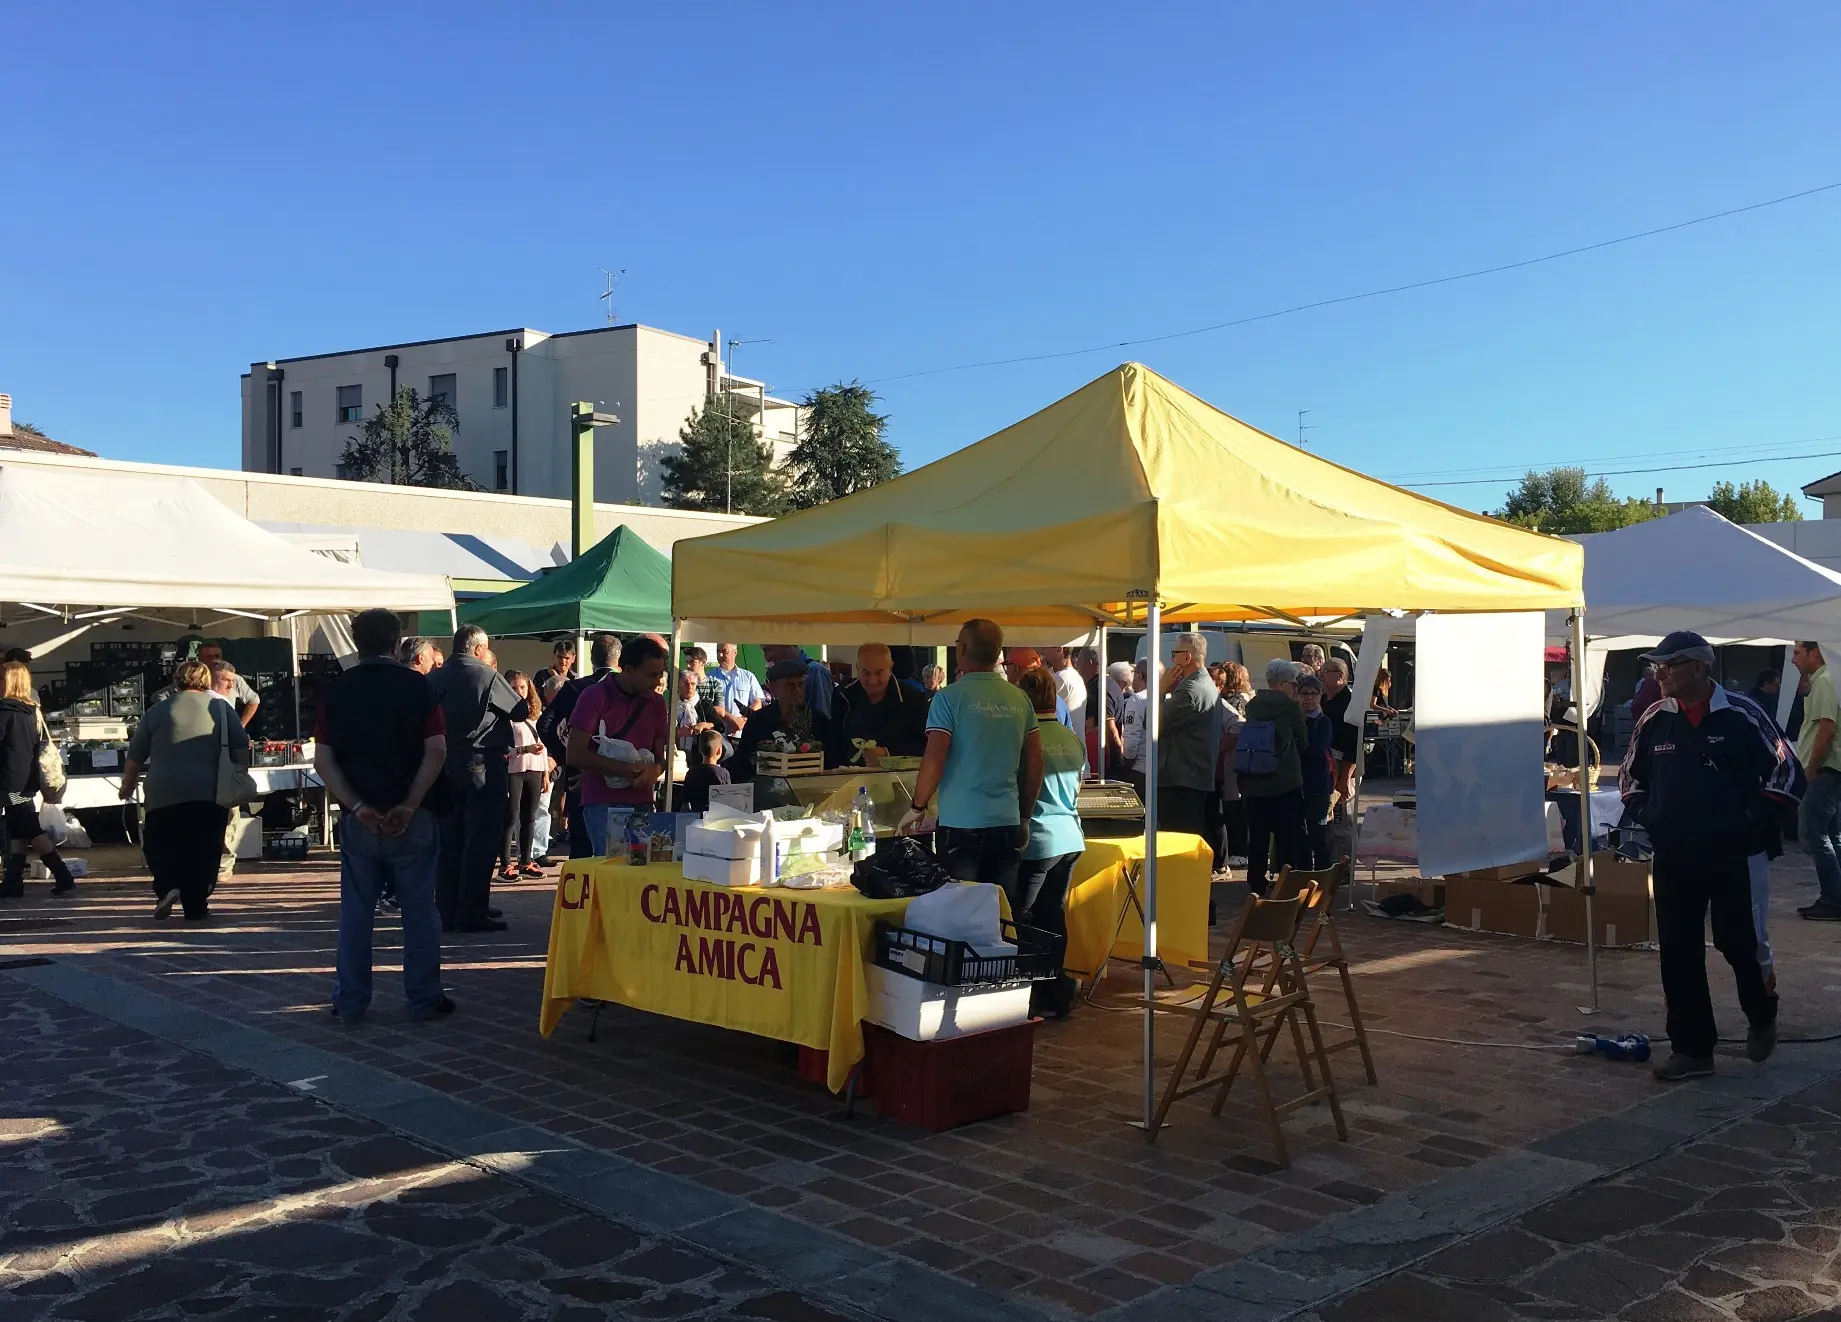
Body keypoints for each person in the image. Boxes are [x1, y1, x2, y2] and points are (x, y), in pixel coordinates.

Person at [1621, 630, 1797, 1081]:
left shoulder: (1742, 713)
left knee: (1739, 943)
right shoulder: (1655, 718)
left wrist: (1751, 820)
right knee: (1678, 949)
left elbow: (1787, 771)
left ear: (1699, 667)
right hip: (1675, 855)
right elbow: (1629, 779)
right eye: (1656, 665)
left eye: (1669, 665)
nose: (1659, 674)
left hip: (1734, 855)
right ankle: (1693, 1050)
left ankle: (1761, 1015)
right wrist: (1651, 814)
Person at [310, 608, 451, 1023]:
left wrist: (357, 806)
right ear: (396, 642)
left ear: (356, 642)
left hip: (360, 818)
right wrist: (410, 803)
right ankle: (424, 997)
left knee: (356, 915)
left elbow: (323, 760)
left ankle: (350, 1001)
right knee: (419, 912)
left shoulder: (337, 691)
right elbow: (437, 750)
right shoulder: (420, 687)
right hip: (414, 814)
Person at [906, 619, 1043, 892]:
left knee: (961, 908)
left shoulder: (948, 698)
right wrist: (1025, 816)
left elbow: (934, 758)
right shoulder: (1020, 699)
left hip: (960, 824)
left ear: (962, 649)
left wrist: (917, 807)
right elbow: (1035, 762)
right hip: (1006, 820)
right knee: (1001, 909)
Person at [121, 659, 250, 921]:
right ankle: (196, 905)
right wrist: (238, 773)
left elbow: (135, 756)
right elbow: (240, 748)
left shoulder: (158, 710)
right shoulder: (222, 709)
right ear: (207, 681)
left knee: (161, 842)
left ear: (176, 680)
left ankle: (167, 885)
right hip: (209, 790)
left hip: (163, 791)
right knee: (204, 848)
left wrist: (127, 785)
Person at [431, 625, 521, 933]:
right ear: (479, 649)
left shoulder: (435, 677)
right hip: (481, 762)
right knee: (480, 841)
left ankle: (447, 910)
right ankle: (472, 911)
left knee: (449, 842)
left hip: (445, 764)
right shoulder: (486, 675)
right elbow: (520, 709)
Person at [1012, 666, 1084, 1018]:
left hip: (1037, 838)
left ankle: (1032, 991)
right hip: (1070, 835)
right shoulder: (1072, 738)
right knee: (1053, 914)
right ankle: (1056, 986)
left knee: (1021, 918)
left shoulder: (1026, 738)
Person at [565, 633, 670, 856]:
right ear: (628, 670)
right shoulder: (594, 696)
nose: (658, 681)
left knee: (641, 868)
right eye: (651, 675)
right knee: (611, 869)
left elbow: (661, 756)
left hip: (643, 803)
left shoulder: (657, 703)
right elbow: (574, 754)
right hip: (603, 803)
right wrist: (627, 770)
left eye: (661, 674)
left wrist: (655, 769)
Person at [0, 661, 76, 899]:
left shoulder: (4, 711)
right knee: (17, 829)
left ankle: (63, 876)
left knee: (29, 829)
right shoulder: (31, 711)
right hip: (26, 780)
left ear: (8, 682)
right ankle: (13, 882)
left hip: (10, 782)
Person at [541, 633, 620, 859]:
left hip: (581, 774)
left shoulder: (577, 687)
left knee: (581, 851)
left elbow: (545, 724)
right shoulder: (628, 690)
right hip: (618, 775)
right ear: (619, 659)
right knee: (617, 852)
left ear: (591, 659)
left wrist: (567, 758)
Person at [1238, 659, 1310, 895]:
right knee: (1286, 834)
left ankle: (1256, 883)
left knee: (1257, 837)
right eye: (1293, 683)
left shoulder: (1254, 704)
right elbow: (1304, 742)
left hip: (1253, 780)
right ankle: (1284, 881)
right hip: (1284, 781)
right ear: (1281, 683)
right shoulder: (1290, 708)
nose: (1296, 688)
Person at [1157, 633, 1223, 866]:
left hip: (1182, 779)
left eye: (1174, 654)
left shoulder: (1191, 690)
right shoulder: (1201, 685)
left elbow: (1154, 724)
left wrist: (1160, 689)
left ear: (1186, 658)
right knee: (1186, 844)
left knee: (1178, 848)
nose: (1171, 659)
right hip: (1190, 775)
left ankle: (1183, 888)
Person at [1792, 642, 1841, 921]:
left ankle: (1833, 899)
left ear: (1816, 652)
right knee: (1831, 835)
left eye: (1797, 652)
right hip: (1829, 769)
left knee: (1813, 834)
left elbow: (1827, 727)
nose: (1793, 660)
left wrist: (1812, 767)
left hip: (1824, 770)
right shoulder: (1825, 679)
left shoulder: (1825, 681)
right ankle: (1835, 897)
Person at [732, 658, 839, 780]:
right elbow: (742, 764)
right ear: (773, 690)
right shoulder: (759, 721)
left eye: (801, 685)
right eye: (790, 686)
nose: (797, 691)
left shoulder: (818, 721)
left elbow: (832, 762)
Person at [832, 643, 930, 764]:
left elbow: (925, 746)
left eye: (879, 673)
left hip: (898, 775)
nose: (872, 680)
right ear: (857, 668)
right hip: (848, 773)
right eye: (866, 673)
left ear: (891, 668)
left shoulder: (914, 699)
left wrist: (887, 754)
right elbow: (833, 743)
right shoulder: (843, 695)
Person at [499, 671, 548, 882]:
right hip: (514, 770)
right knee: (511, 817)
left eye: (522, 687)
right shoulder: (504, 715)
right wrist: (525, 749)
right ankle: (505, 865)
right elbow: (504, 749)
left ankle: (526, 861)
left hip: (535, 769)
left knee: (530, 817)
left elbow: (542, 746)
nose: (519, 691)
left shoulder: (535, 713)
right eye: (514, 687)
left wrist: (546, 772)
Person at [1296, 673, 1335, 869]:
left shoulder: (1323, 722)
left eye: (1314, 693)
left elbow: (1314, 751)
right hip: (1295, 783)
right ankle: (1301, 873)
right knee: (1298, 834)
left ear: (1320, 696)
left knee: (1318, 834)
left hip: (1317, 785)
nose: (1309, 698)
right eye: (1304, 693)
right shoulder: (1294, 720)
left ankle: (1323, 874)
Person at [195, 643, 261, 730]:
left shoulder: (233, 678)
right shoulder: (192, 680)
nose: (214, 659)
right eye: (208, 657)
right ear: (199, 659)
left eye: (217, 656)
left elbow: (254, 699)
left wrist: (240, 726)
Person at [762, 644, 834, 719]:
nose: (767, 658)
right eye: (789, 686)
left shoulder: (815, 671)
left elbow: (820, 720)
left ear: (786, 644)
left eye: (768, 650)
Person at [711, 643, 766, 735]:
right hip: (718, 734)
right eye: (718, 651)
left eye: (724, 651)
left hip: (743, 733)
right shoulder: (710, 677)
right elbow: (708, 705)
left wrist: (743, 721)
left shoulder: (748, 676)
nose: (720, 655)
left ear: (735, 652)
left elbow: (757, 702)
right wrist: (731, 719)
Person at [680, 728, 731, 813]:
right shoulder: (723, 773)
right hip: (716, 815)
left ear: (699, 749)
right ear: (719, 751)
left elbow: (685, 800)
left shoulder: (692, 772)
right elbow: (728, 799)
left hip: (696, 815)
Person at [1120, 659, 1150, 799]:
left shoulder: (1136, 699)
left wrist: (1127, 762)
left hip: (1139, 768)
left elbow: (1131, 737)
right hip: (1161, 769)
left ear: (1139, 675)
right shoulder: (1166, 697)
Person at [1043, 647, 1087, 736]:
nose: (1043, 652)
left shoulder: (1060, 678)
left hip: (1063, 741)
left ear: (1059, 649)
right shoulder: (1076, 676)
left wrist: (1041, 672)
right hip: (1074, 741)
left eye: (1046, 648)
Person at [534, 639, 576, 705]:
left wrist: (556, 677)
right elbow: (535, 699)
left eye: (567, 658)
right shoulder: (542, 676)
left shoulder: (576, 678)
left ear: (573, 659)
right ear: (554, 656)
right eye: (559, 657)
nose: (563, 661)